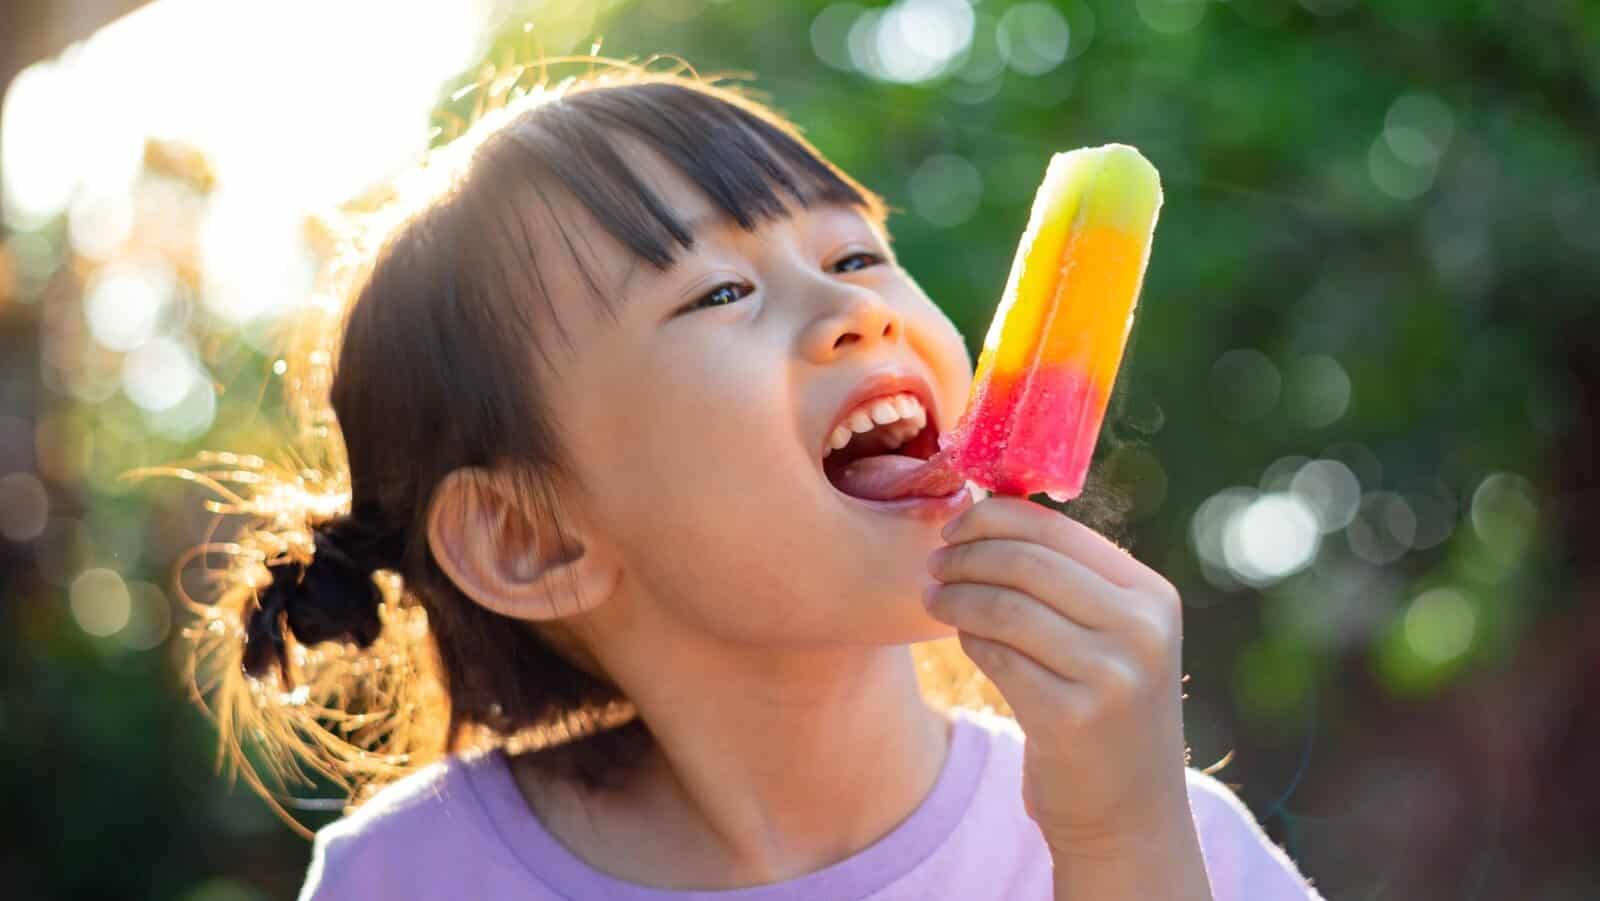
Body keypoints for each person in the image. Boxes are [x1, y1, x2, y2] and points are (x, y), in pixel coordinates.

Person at [163, 61, 1323, 899]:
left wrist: (1121, 848)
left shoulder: (1166, 841)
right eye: (718, 293)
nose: (857, 311)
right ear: (532, 536)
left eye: (855, 252)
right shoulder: (409, 878)